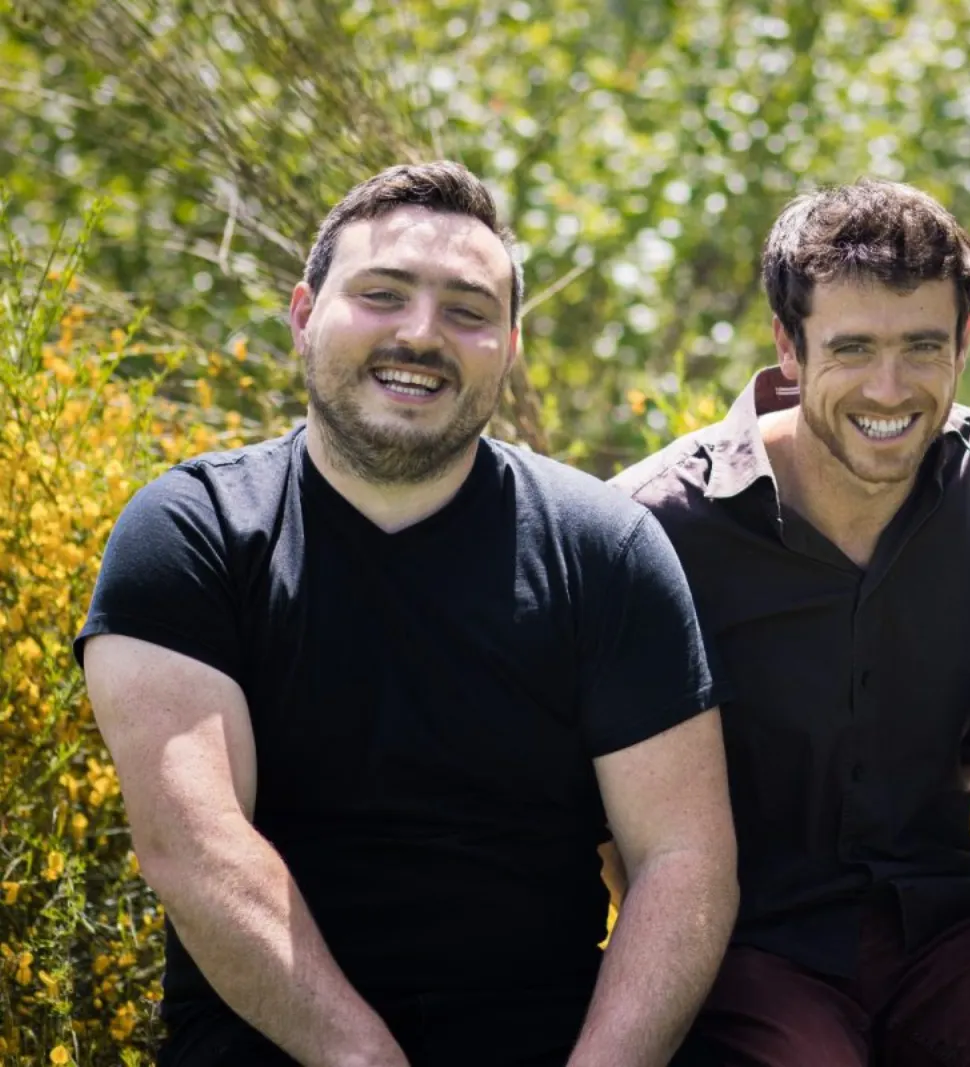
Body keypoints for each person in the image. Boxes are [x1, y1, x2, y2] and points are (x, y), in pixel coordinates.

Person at [76, 161, 737, 1067]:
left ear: (509, 346)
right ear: (304, 315)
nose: (421, 334)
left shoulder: (607, 552)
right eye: (382, 295)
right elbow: (197, 849)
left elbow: (682, 863)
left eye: (467, 310)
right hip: (274, 1041)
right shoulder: (192, 534)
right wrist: (362, 1058)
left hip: (555, 1039)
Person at [611, 178, 970, 1066]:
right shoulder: (654, 526)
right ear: (789, 347)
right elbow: (607, 823)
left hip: (951, 925)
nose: (891, 388)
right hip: (749, 945)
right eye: (852, 348)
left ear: (963, 342)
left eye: (923, 345)